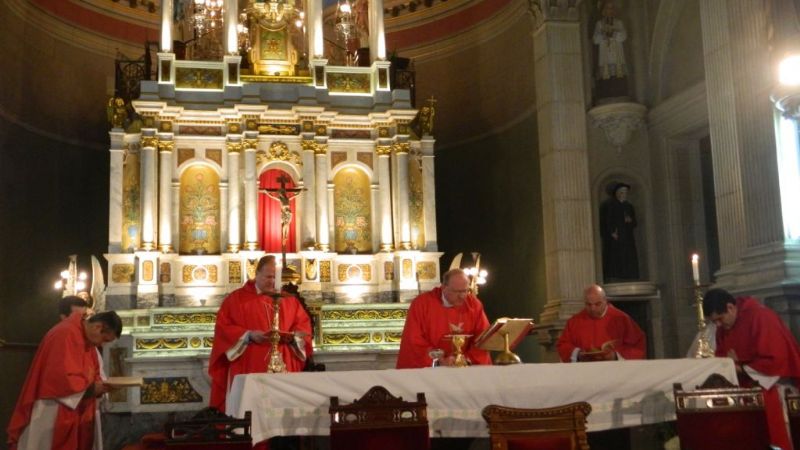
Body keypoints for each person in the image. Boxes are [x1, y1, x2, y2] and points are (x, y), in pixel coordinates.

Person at [208, 255, 313, 413]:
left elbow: (303, 326)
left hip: (283, 363)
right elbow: (224, 329)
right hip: (250, 362)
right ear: (256, 274)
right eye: (268, 276)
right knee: (252, 412)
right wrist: (248, 335)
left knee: (282, 414)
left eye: (275, 277)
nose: (272, 281)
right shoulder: (236, 300)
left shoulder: (289, 301)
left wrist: (295, 336)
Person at [7, 311, 122, 450]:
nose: (102, 345)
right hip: (52, 406)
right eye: (105, 339)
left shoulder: (85, 337)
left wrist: (101, 386)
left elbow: (94, 370)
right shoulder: (65, 334)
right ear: (98, 327)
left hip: (73, 404)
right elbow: (60, 377)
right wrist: (92, 389)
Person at [704, 288, 800, 450]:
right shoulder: (724, 328)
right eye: (714, 322)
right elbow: (723, 358)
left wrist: (740, 367)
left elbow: (776, 360)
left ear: (730, 307)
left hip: (774, 387)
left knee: (775, 438)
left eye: (719, 319)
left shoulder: (761, 317)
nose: (718, 325)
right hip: (747, 390)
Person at [396, 268, 492, 369]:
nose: (462, 296)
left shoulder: (474, 305)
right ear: (444, 287)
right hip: (431, 371)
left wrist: (466, 359)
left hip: (466, 369)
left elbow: (484, 339)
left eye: (465, 291)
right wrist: (439, 361)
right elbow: (413, 340)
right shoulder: (422, 304)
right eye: (457, 292)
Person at [556, 284, 646, 362]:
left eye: (597, 304)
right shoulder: (575, 321)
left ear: (605, 301)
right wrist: (578, 354)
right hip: (585, 371)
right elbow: (563, 345)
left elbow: (637, 345)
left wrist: (615, 356)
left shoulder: (621, 318)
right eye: (588, 304)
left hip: (614, 371)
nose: (593, 308)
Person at [600, 182, 639, 281]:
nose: (624, 194)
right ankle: (614, 275)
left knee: (628, 257)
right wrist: (612, 232)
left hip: (627, 237)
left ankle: (629, 274)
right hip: (615, 238)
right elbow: (606, 221)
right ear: (616, 193)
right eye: (621, 192)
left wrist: (630, 221)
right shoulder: (609, 205)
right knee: (615, 257)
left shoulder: (629, 206)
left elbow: (634, 223)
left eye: (625, 192)